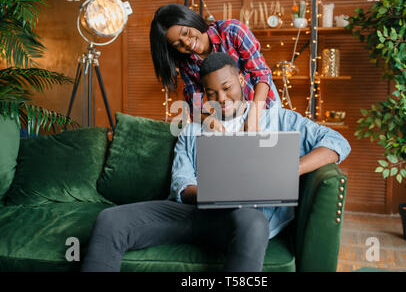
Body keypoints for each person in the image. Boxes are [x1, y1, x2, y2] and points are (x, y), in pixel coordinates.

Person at [80, 52, 351, 272]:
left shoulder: (277, 119)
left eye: (227, 88)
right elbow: (182, 185)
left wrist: (290, 170)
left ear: (242, 80)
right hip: (196, 213)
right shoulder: (194, 129)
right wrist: (215, 194)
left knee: (255, 223)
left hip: (242, 220)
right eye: (211, 93)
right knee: (110, 220)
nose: (221, 99)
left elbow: (337, 143)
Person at [150, 3, 282, 132]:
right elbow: (195, 103)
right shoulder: (185, 63)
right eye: (177, 44)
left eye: (186, 32)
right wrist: (209, 121)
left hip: (261, 103)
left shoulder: (233, 31)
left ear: (191, 20)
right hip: (229, 115)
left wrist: (253, 115)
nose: (187, 43)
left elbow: (261, 74)